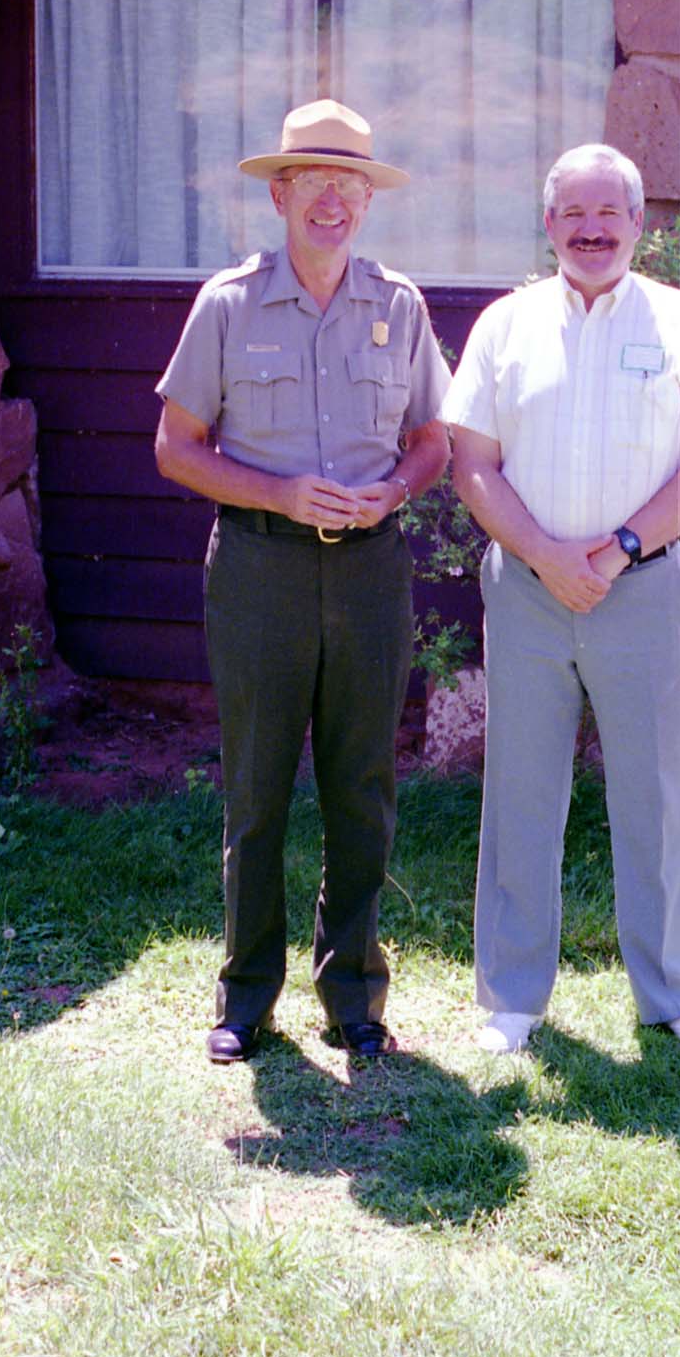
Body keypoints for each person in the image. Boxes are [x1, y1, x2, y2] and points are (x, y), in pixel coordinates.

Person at [155, 100, 451, 1063]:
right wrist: (282, 493)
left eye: (351, 183)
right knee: (257, 787)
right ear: (280, 192)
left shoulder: (396, 304)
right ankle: (245, 995)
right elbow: (175, 448)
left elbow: (433, 440)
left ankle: (354, 992)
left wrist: (394, 492)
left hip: (368, 571)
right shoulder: (230, 304)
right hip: (258, 569)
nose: (333, 199)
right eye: (314, 180)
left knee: (362, 783)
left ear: (368, 198)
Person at [444, 143, 680, 1054]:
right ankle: (512, 1000)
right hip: (528, 594)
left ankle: (669, 994)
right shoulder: (505, 324)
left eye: (609, 211)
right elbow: (472, 464)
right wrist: (544, 554)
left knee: (650, 797)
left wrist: (612, 553)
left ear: (640, 224)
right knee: (521, 795)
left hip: (641, 591)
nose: (592, 228)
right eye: (573, 212)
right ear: (548, 224)